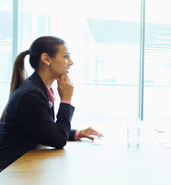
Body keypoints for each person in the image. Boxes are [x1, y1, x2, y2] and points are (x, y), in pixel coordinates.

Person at [0, 36, 103, 172]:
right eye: (66, 57)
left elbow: (46, 128)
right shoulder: (31, 95)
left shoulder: (39, 88)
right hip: (8, 168)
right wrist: (66, 99)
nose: (71, 62)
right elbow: (58, 140)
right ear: (46, 59)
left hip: (20, 163)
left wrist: (78, 133)